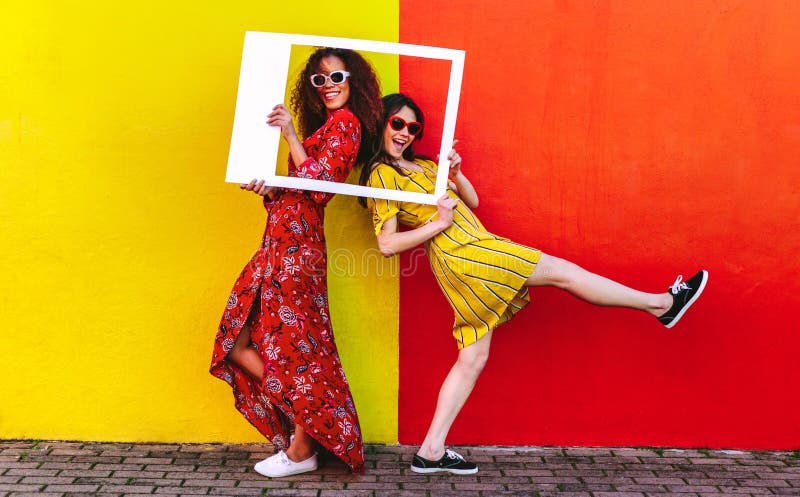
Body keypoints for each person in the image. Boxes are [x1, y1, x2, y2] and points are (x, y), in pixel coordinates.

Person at [362, 93, 708, 475]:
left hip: (476, 245)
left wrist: (456, 173)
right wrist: (438, 224)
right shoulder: (381, 177)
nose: (405, 133)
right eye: (398, 124)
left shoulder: (424, 165)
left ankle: (430, 451)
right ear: (381, 122)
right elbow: (387, 244)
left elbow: (472, 202)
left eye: (413, 128)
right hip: (462, 253)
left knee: (472, 358)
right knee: (562, 271)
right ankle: (662, 304)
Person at [210, 47, 382, 477]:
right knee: (241, 344)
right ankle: (306, 438)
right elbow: (298, 190)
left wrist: (288, 135)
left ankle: (302, 449)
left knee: (299, 348)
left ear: (353, 81)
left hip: (299, 250)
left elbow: (319, 191)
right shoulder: (327, 127)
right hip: (280, 241)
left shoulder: (347, 125)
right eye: (318, 80)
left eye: (336, 77)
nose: (328, 87)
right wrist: (269, 189)